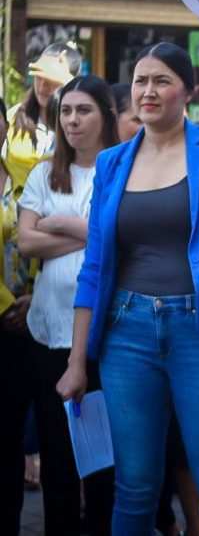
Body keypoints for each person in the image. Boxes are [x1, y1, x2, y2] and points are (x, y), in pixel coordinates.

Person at [56, 43, 199, 534]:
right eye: (140, 81)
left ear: (186, 90)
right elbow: (94, 268)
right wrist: (77, 362)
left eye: (161, 80)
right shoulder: (113, 161)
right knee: (133, 488)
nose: (148, 91)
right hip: (127, 332)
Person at [17, 75, 118, 534]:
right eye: (66, 112)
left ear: (105, 116)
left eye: (84, 111)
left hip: (106, 336)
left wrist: (62, 225)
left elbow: (123, 242)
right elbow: (26, 242)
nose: (73, 121)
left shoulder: (121, 168)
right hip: (47, 330)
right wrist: (89, 232)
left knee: (101, 460)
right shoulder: (43, 172)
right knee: (57, 456)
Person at [0, 93, 43, 535]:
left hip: (25, 323)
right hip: (8, 313)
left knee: (10, 438)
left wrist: (33, 294)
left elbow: (41, 239)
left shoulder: (26, 177)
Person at [4, 42, 81, 190]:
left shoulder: (80, 126)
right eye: (39, 76)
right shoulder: (13, 117)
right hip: (14, 207)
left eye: (51, 79)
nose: (43, 86)